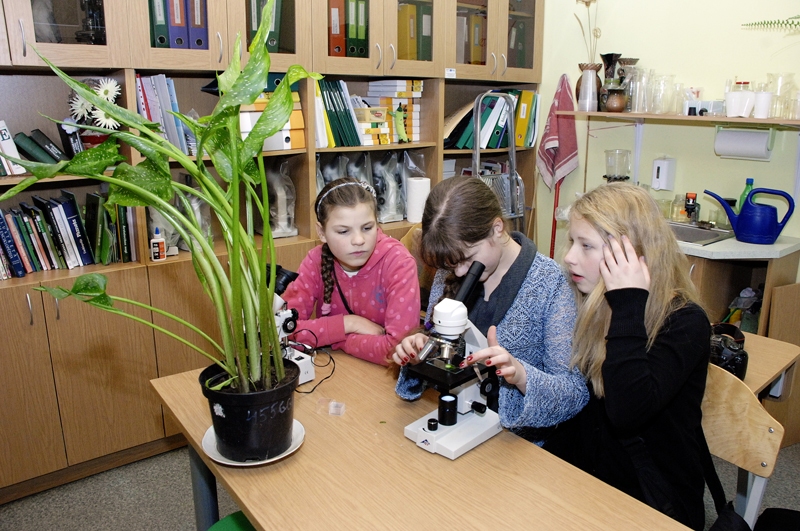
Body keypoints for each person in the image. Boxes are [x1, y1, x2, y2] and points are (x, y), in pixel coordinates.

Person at [544, 183, 711, 530]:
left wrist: (629, 304)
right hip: (589, 479)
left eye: (586, 246)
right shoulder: (584, 299)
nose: (570, 257)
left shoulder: (683, 322)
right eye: (573, 241)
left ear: (633, 257)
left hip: (651, 497)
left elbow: (627, 413)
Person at [394, 176, 588, 444]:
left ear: (497, 228)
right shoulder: (451, 267)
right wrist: (419, 353)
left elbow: (573, 395)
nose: (460, 272)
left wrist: (520, 374)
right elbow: (438, 350)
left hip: (517, 446)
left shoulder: (551, 283)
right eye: (452, 265)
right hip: (459, 420)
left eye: (467, 260)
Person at [282, 177, 420, 365]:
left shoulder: (398, 262)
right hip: (338, 370)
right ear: (321, 233)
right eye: (343, 231)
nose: (358, 240)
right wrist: (349, 323)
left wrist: (338, 339)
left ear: (377, 224)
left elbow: (399, 351)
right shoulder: (315, 261)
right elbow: (284, 331)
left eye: (367, 228)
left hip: (381, 380)